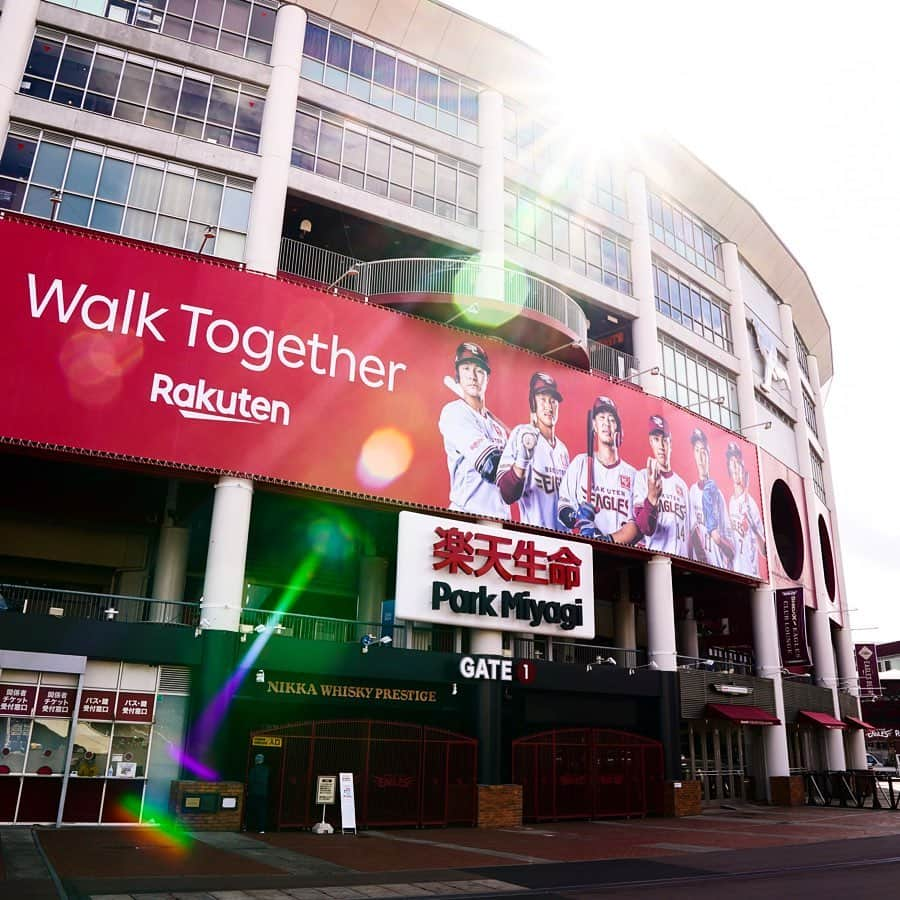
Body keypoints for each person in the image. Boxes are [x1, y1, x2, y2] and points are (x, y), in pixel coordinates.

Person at [438, 342, 508, 518]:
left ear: (487, 378)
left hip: (500, 520)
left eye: (479, 370)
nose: (472, 376)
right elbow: (490, 466)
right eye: (466, 369)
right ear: (458, 376)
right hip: (466, 517)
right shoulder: (454, 412)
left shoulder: (498, 429)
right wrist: (519, 456)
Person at [558, 396, 639, 544]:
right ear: (594, 425)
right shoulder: (580, 463)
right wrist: (577, 518)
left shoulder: (633, 475)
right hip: (584, 549)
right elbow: (563, 507)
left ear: (618, 427)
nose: (606, 423)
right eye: (601, 417)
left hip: (621, 554)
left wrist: (606, 540)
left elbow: (637, 526)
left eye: (611, 419)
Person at [497, 372, 570, 528]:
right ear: (533, 403)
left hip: (565, 542)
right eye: (542, 399)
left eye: (553, 401)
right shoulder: (521, 434)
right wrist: (522, 460)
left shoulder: (563, 450)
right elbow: (507, 494)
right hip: (535, 538)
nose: (549, 406)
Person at [634, 415, 690, 556]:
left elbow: (690, 533)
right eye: (656, 440)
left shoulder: (682, 485)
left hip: (683, 564)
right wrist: (652, 497)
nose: (661, 446)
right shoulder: (642, 477)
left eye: (664, 440)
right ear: (650, 442)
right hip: (657, 561)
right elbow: (644, 527)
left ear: (670, 441)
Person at [688, 428, 735, 569]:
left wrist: (718, 539)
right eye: (697, 451)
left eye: (704, 452)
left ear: (709, 455)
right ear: (694, 455)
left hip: (720, 569)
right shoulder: (692, 491)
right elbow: (692, 535)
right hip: (701, 568)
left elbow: (731, 548)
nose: (701, 458)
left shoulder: (718, 495)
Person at [726, 441, 767, 577]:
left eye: (738, 463)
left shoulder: (752, 504)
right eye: (733, 463)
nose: (736, 468)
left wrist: (754, 527)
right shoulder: (730, 502)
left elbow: (764, 551)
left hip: (751, 574)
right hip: (734, 572)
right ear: (729, 469)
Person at [246, 752, 270, 833]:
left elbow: (250, 781)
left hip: (254, 792)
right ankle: (261, 828)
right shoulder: (266, 769)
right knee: (262, 811)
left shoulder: (253, 769)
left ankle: (249, 826)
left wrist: (248, 790)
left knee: (251, 810)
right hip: (263, 793)